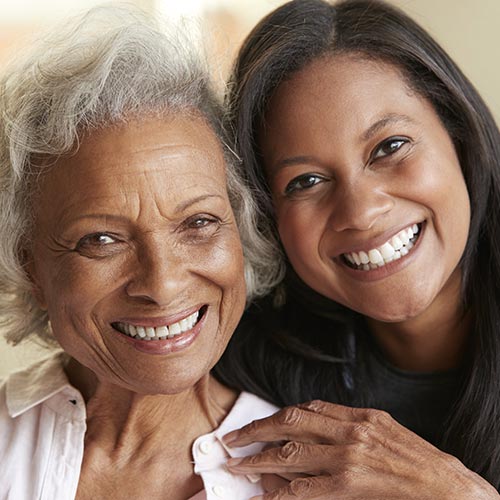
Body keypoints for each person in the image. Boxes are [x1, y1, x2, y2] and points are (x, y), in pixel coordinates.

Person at [213, 0, 500, 497]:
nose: (361, 211)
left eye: (389, 148)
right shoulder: (247, 371)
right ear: (266, 217)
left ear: (457, 132)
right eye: (305, 181)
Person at [0, 7, 282, 500]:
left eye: (199, 223)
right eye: (102, 240)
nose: (163, 284)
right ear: (32, 269)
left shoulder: (313, 477)